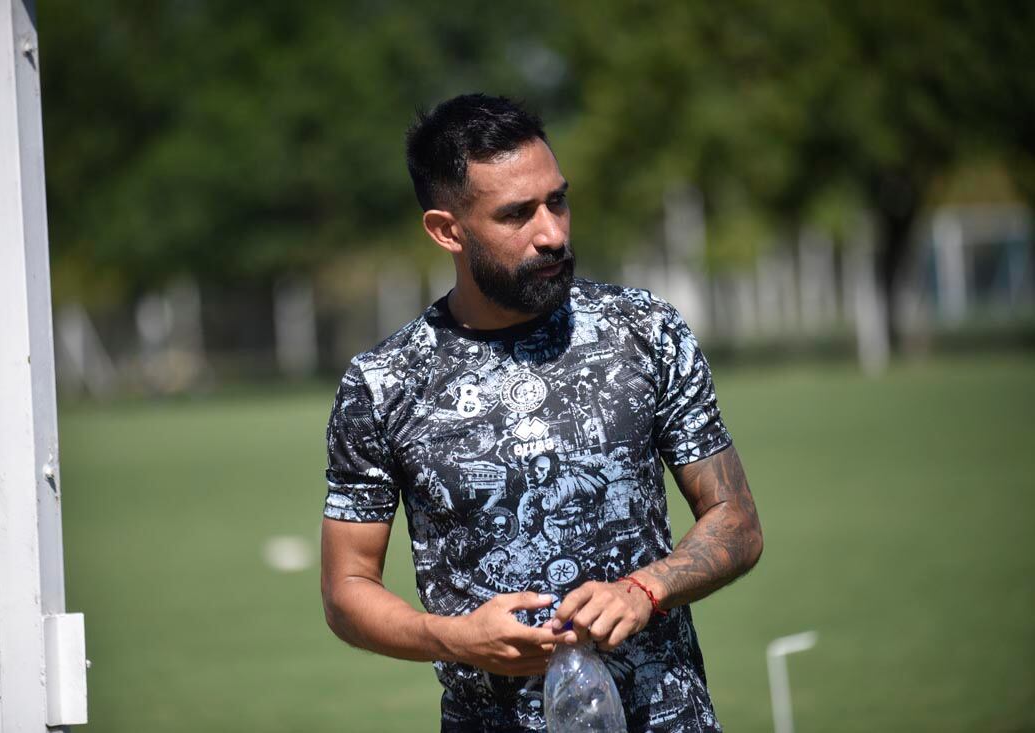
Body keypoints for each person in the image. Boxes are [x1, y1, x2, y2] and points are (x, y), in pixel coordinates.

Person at [321, 93, 762, 732]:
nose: (552, 233)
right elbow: (346, 590)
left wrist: (646, 590)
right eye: (516, 215)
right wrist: (454, 638)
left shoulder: (645, 331)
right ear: (447, 230)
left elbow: (738, 521)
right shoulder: (383, 384)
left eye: (557, 200)